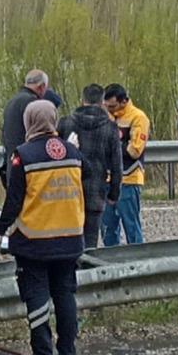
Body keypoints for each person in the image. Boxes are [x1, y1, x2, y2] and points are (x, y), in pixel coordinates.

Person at [0, 100, 85, 355]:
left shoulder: (24, 154)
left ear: (29, 121)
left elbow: (14, 199)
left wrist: (0, 230)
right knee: (65, 296)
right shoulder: (73, 152)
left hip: (34, 241)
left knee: (36, 297)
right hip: (70, 238)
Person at [57, 84, 122, 248]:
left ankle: (70, 272)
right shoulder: (110, 128)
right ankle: (87, 271)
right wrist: (114, 194)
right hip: (96, 192)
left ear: (82, 100)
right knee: (90, 242)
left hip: (67, 191)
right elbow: (116, 166)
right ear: (102, 103)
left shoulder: (65, 123)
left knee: (68, 241)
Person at [101, 84, 150, 246]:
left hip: (129, 178)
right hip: (107, 179)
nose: (110, 110)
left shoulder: (138, 117)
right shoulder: (107, 116)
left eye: (113, 106)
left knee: (131, 227)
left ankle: (137, 261)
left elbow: (135, 150)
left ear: (124, 101)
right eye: (107, 106)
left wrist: (111, 144)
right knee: (107, 228)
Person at [0, 70, 50, 188]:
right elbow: (40, 137)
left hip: (12, 166)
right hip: (29, 169)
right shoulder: (33, 104)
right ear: (42, 87)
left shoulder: (11, 102)